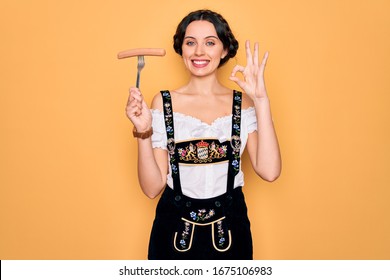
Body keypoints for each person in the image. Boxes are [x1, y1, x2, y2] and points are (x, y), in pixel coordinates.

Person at [126, 9, 281, 260]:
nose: (199, 51)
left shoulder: (243, 104)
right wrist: (143, 131)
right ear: (182, 50)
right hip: (173, 235)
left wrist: (261, 100)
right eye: (190, 43)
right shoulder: (162, 102)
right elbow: (152, 188)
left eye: (210, 42)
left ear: (225, 50)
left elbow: (270, 171)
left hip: (231, 236)